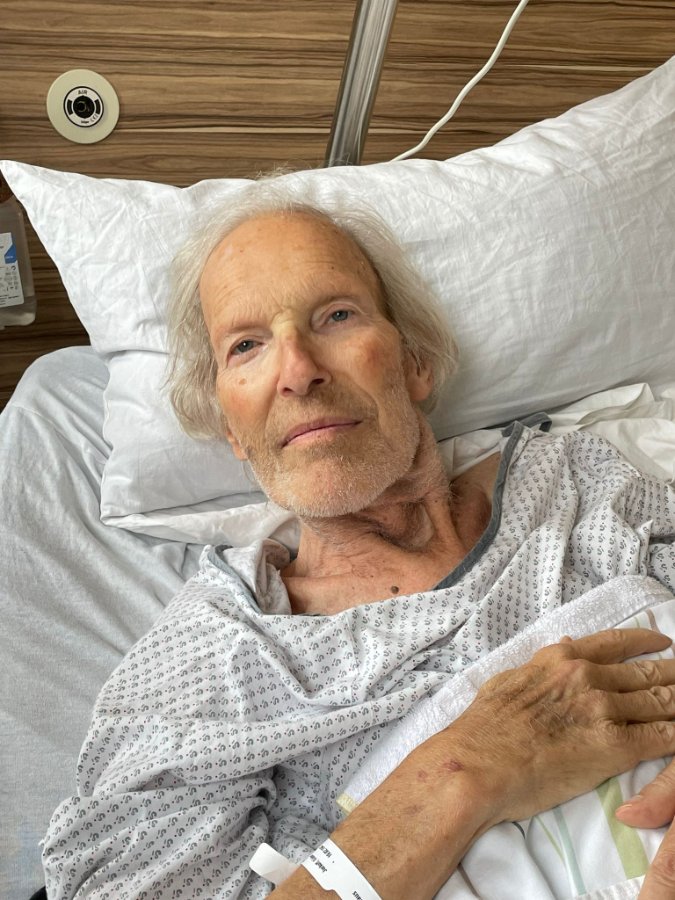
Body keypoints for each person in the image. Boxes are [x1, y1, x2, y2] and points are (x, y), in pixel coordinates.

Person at [41, 184, 675, 900]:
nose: (298, 370)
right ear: (231, 428)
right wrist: (469, 766)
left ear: (414, 361)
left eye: (336, 315)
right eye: (246, 345)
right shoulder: (210, 661)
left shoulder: (576, 484)